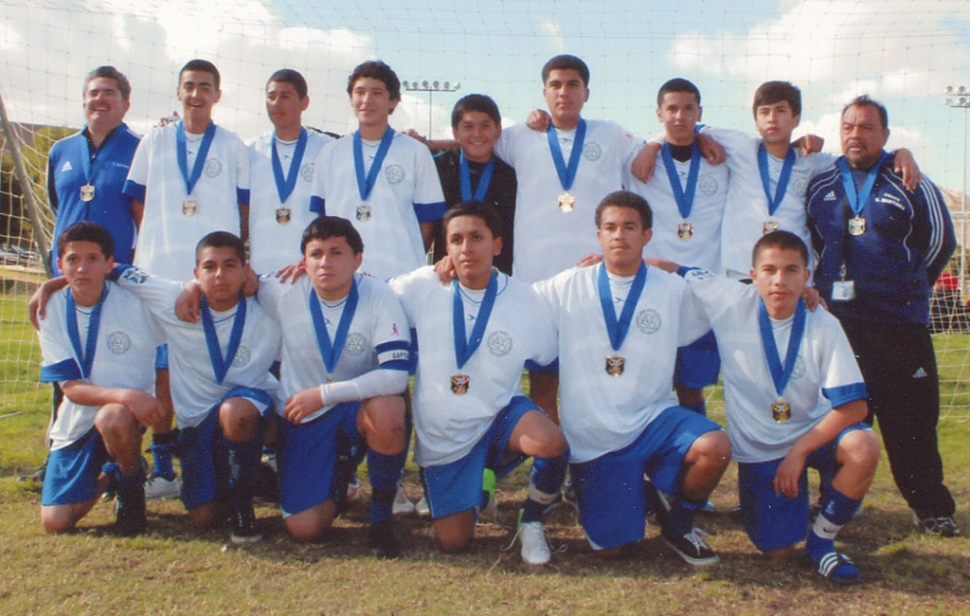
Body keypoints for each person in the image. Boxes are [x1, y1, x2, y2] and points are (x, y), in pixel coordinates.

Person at [652, 231, 881, 584]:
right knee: (778, 552)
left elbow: (854, 409)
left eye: (791, 270)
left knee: (863, 446)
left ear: (807, 277)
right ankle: (793, 509)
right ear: (753, 274)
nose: (779, 280)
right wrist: (602, 266)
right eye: (769, 270)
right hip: (761, 451)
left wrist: (799, 453)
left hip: (811, 436)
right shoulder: (729, 298)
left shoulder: (823, 321)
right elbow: (673, 268)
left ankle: (822, 541)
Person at [534, 190, 730, 565]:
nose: (619, 235)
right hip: (595, 438)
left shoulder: (672, 289)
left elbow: (734, 303)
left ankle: (679, 524)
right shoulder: (567, 285)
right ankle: (626, 490)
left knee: (715, 446)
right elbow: (510, 299)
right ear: (598, 236)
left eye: (629, 227)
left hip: (653, 420)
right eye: (610, 227)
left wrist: (799, 292)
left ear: (647, 235)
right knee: (615, 550)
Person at [806, 95, 960, 537]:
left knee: (911, 419)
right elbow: (812, 240)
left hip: (898, 325)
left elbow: (940, 244)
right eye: (849, 126)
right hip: (838, 325)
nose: (857, 134)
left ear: (885, 136)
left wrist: (906, 290)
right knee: (840, 414)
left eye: (867, 127)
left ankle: (931, 505)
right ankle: (836, 498)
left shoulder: (909, 181)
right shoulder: (821, 182)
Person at [390, 201, 569, 564]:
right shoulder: (422, 286)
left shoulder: (524, 298)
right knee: (454, 543)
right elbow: (366, 295)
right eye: (456, 239)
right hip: (445, 436)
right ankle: (478, 494)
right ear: (446, 247)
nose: (466, 248)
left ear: (497, 245)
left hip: (499, 415)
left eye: (476, 237)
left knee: (550, 442)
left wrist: (543, 413)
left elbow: (548, 363)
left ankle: (531, 521)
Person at [122, 59, 251, 500]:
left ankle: (212, 459)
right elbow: (137, 201)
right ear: (178, 92)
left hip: (210, 278)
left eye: (205, 87)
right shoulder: (153, 141)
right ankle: (160, 470)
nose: (196, 94)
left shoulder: (234, 147)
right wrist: (163, 243)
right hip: (160, 273)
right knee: (156, 373)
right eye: (189, 86)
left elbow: (244, 210)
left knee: (201, 368)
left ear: (218, 94)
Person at [246, 216, 411, 557]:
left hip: (351, 408)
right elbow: (238, 280)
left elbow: (396, 375)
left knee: (390, 408)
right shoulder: (282, 289)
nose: (325, 262)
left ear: (357, 259)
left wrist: (323, 394)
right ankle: (337, 479)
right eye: (316, 253)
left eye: (336, 252)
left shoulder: (380, 295)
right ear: (303, 261)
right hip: (304, 418)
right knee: (305, 529)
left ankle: (380, 517)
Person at [108, 232, 280, 543]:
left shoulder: (267, 296)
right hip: (197, 423)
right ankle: (253, 480)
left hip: (247, 408)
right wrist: (52, 285)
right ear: (195, 273)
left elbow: (315, 275)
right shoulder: (175, 297)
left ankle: (244, 510)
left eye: (229, 266)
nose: (219, 275)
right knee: (204, 517)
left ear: (246, 270)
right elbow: (114, 269)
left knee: (237, 412)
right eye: (209, 267)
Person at [36, 222, 163, 536]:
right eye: (73, 260)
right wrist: (126, 394)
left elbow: (178, 298)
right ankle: (114, 473)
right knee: (56, 522)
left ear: (110, 264)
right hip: (77, 420)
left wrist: (132, 398)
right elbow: (71, 389)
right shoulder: (48, 309)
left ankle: (131, 489)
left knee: (114, 416)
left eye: (93, 259)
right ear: (59, 265)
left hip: (122, 416)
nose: (82, 268)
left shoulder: (136, 301)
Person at [625, 78, 729, 420]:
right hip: (654, 288)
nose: (679, 116)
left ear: (700, 113)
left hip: (702, 290)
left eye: (688, 109)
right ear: (658, 113)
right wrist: (654, 145)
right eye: (671, 109)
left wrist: (702, 136)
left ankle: (693, 453)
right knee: (648, 384)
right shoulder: (639, 161)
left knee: (690, 387)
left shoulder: (721, 157)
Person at [309, 60, 445, 281]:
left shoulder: (416, 152)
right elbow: (320, 216)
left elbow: (427, 222)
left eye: (377, 93)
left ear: (393, 100)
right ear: (351, 99)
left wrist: (407, 256)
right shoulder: (330, 153)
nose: (367, 100)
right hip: (344, 277)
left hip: (400, 273)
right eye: (359, 92)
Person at [47, 66, 140, 274]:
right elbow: (58, 205)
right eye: (93, 93)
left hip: (117, 273)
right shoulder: (60, 150)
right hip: (66, 275)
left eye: (109, 93)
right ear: (84, 102)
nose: (100, 99)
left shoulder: (142, 150)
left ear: (126, 104)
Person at [247, 69, 334, 274]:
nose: (277, 103)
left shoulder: (327, 149)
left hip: (312, 273)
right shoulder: (249, 150)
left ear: (304, 102)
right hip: (261, 273)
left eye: (285, 96)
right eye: (271, 97)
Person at [431, 94, 516, 275]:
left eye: (485, 126)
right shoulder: (437, 169)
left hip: (497, 275)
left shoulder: (510, 175)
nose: (477, 134)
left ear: (498, 130)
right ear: (455, 132)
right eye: (468, 127)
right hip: (447, 271)